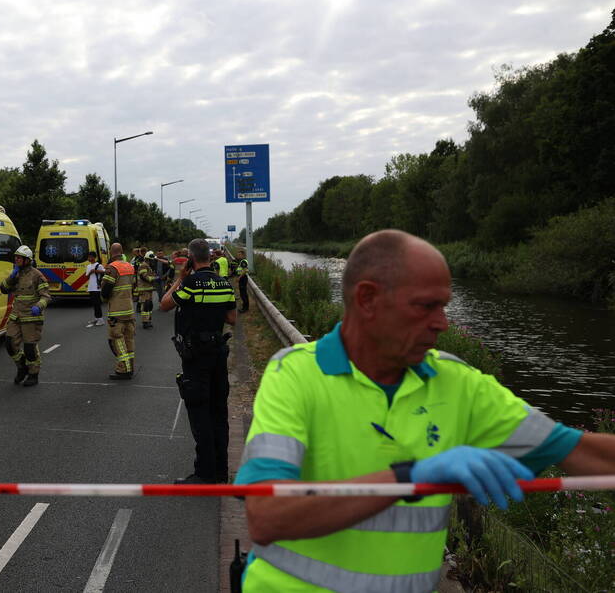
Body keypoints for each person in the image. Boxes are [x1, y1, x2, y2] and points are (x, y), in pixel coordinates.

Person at [235, 230, 615, 592]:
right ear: (367, 299)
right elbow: (268, 516)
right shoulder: (295, 375)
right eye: (426, 306)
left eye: (444, 306)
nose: (442, 324)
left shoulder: (459, 384)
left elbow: (581, 453)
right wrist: (412, 476)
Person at [160, 238, 237, 483]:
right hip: (218, 353)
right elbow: (232, 318)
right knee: (218, 411)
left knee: (199, 411)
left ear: (191, 259)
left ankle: (204, 474)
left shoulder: (191, 283)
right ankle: (221, 471)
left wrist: (181, 277)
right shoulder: (224, 284)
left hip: (197, 356)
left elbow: (164, 304)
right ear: (211, 258)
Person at [0, 245, 50, 387]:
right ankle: (22, 367)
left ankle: (33, 374)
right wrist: (11, 277)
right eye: (15, 257)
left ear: (27, 260)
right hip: (16, 316)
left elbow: (46, 296)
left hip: (31, 318)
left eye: (19, 258)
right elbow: (3, 289)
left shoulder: (37, 275)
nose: (16, 260)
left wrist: (38, 306)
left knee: (29, 349)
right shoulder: (15, 274)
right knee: (9, 344)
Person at [100, 242, 137, 379]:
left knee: (117, 339)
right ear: (121, 252)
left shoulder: (112, 268)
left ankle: (124, 369)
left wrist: (104, 298)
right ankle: (131, 367)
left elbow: (106, 290)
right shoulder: (130, 266)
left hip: (116, 311)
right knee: (129, 339)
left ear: (111, 252)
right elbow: (133, 286)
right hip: (129, 309)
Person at [137, 250, 159, 330]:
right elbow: (144, 276)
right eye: (152, 260)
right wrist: (154, 278)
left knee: (149, 305)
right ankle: (145, 322)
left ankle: (148, 320)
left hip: (148, 289)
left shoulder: (148, 266)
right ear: (147, 259)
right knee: (146, 305)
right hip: (144, 289)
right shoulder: (143, 265)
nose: (153, 261)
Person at [84, 251, 106, 328]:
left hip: (97, 287)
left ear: (94, 257)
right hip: (91, 287)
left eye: (90, 257)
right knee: (94, 303)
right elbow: (86, 276)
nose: (89, 258)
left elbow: (105, 271)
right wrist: (90, 272)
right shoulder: (88, 266)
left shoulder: (98, 265)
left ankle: (101, 320)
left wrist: (95, 271)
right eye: (88, 257)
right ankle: (96, 318)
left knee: (97, 304)